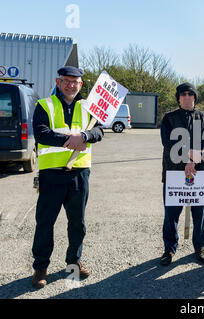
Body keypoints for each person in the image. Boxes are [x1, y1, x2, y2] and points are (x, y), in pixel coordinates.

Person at [31, 66, 104, 288]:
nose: (71, 85)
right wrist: (70, 140)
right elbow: (41, 132)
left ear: (81, 85)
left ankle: (74, 262)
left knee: (77, 223)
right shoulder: (44, 104)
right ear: (58, 82)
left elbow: (99, 131)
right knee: (45, 222)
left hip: (79, 174)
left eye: (76, 82)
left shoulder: (88, 107)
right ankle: (40, 268)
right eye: (67, 81)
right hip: (51, 174)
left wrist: (84, 135)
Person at [160, 83, 204, 266]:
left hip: (200, 173)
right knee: (171, 213)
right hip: (175, 172)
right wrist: (186, 160)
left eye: (190, 94)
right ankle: (169, 248)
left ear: (195, 97)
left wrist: (193, 161)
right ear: (178, 97)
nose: (186, 97)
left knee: (200, 213)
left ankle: (200, 247)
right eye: (183, 94)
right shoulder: (169, 118)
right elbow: (168, 144)